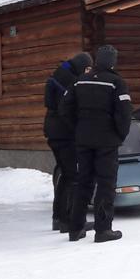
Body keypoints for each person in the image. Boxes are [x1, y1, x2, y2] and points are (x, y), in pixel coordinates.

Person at [62, 44, 132, 243]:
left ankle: (75, 228)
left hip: (83, 139)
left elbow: (65, 108)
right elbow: (124, 113)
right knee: (106, 184)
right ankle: (103, 230)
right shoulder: (116, 82)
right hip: (107, 141)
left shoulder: (79, 81)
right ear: (112, 61)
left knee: (83, 182)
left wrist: (77, 129)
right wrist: (120, 135)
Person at [43, 51, 92, 232]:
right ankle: (68, 220)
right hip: (63, 134)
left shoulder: (60, 74)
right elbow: (66, 110)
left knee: (67, 175)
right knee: (73, 176)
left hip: (55, 132)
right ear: (80, 66)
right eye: (87, 68)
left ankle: (60, 218)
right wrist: (77, 129)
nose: (88, 72)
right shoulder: (69, 81)